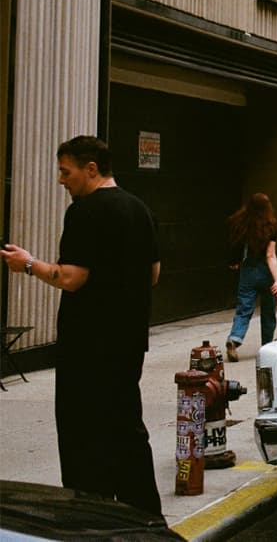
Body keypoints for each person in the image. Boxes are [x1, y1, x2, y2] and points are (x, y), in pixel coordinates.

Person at [1, 136, 162, 518]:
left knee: (82, 438)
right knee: (125, 431)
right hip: (127, 344)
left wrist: (27, 264)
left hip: (87, 347)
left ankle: (89, 518)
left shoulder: (85, 211)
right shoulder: (141, 210)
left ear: (91, 169)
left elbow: (71, 277)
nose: (61, 180)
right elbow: (153, 274)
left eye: (65, 171)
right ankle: (143, 517)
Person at [224, 193, 277, 363]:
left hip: (248, 270)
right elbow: (270, 256)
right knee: (268, 311)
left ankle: (234, 338)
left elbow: (235, 244)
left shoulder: (241, 223)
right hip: (266, 272)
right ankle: (267, 345)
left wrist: (234, 262)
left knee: (244, 308)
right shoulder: (271, 226)